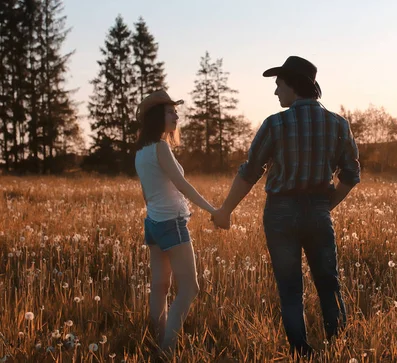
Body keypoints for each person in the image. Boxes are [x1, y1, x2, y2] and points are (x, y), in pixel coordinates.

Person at [212, 56, 361, 357]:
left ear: (293, 85)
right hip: (319, 210)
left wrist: (225, 209)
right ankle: (340, 349)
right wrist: (324, 206)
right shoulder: (338, 124)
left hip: (280, 213)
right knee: (328, 283)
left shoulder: (275, 124)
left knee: (290, 288)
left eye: (279, 84)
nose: (276, 91)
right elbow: (351, 175)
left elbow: (250, 171)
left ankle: (300, 353)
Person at [134, 90, 216, 352]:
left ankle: (157, 337)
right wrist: (213, 209)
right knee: (190, 288)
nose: (176, 115)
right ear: (158, 117)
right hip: (171, 223)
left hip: (154, 224)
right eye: (170, 112)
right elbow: (182, 184)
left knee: (160, 285)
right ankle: (167, 348)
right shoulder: (161, 147)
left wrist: (157, 215)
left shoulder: (140, 152)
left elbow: (147, 194)